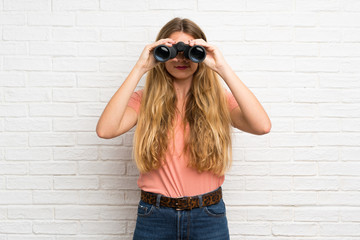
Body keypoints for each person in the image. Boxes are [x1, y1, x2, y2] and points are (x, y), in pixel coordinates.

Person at [96, 17, 271, 240]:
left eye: (189, 51)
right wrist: (141, 67)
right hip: (154, 215)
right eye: (172, 50)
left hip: (208, 215)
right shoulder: (144, 101)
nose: (181, 58)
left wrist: (221, 67)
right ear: (161, 53)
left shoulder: (219, 101)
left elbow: (262, 126)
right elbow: (105, 130)